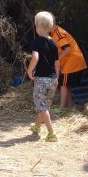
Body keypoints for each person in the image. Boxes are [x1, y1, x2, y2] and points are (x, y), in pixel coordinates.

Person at [27, 11, 60, 142]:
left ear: (39, 26)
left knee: (42, 107)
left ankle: (51, 134)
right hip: (52, 79)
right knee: (44, 105)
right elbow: (57, 63)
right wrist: (57, 78)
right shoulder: (54, 43)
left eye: (36, 25)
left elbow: (35, 57)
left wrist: (30, 71)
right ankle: (36, 127)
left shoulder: (36, 42)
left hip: (41, 80)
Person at [49, 18, 87, 109]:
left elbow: (67, 49)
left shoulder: (58, 33)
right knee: (66, 84)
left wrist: (57, 60)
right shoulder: (54, 33)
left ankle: (61, 108)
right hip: (70, 62)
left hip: (73, 62)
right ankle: (69, 105)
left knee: (63, 84)